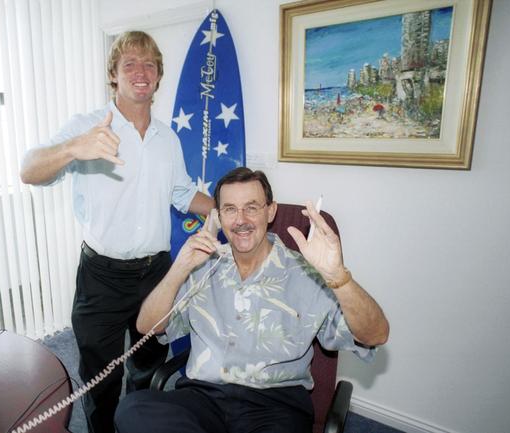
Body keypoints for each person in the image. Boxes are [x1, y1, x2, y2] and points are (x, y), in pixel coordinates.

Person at [20, 31, 213, 433]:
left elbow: (182, 194)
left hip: (156, 275)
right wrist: (72, 149)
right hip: (101, 278)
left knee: (147, 373)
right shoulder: (88, 128)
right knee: (100, 382)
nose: (140, 72)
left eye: (149, 65)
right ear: (114, 75)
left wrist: (231, 210)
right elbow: (29, 169)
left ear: (158, 76)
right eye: (130, 64)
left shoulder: (168, 140)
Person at [114, 167, 389, 433]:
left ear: (271, 211)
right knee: (133, 410)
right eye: (230, 209)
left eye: (252, 207)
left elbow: (375, 335)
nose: (241, 219)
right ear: (218, 217)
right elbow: (147, 325)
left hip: (276, 404)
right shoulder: (202, 266)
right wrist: (179, 268)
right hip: (204, 398)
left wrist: (339, 277)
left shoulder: (308, 274)